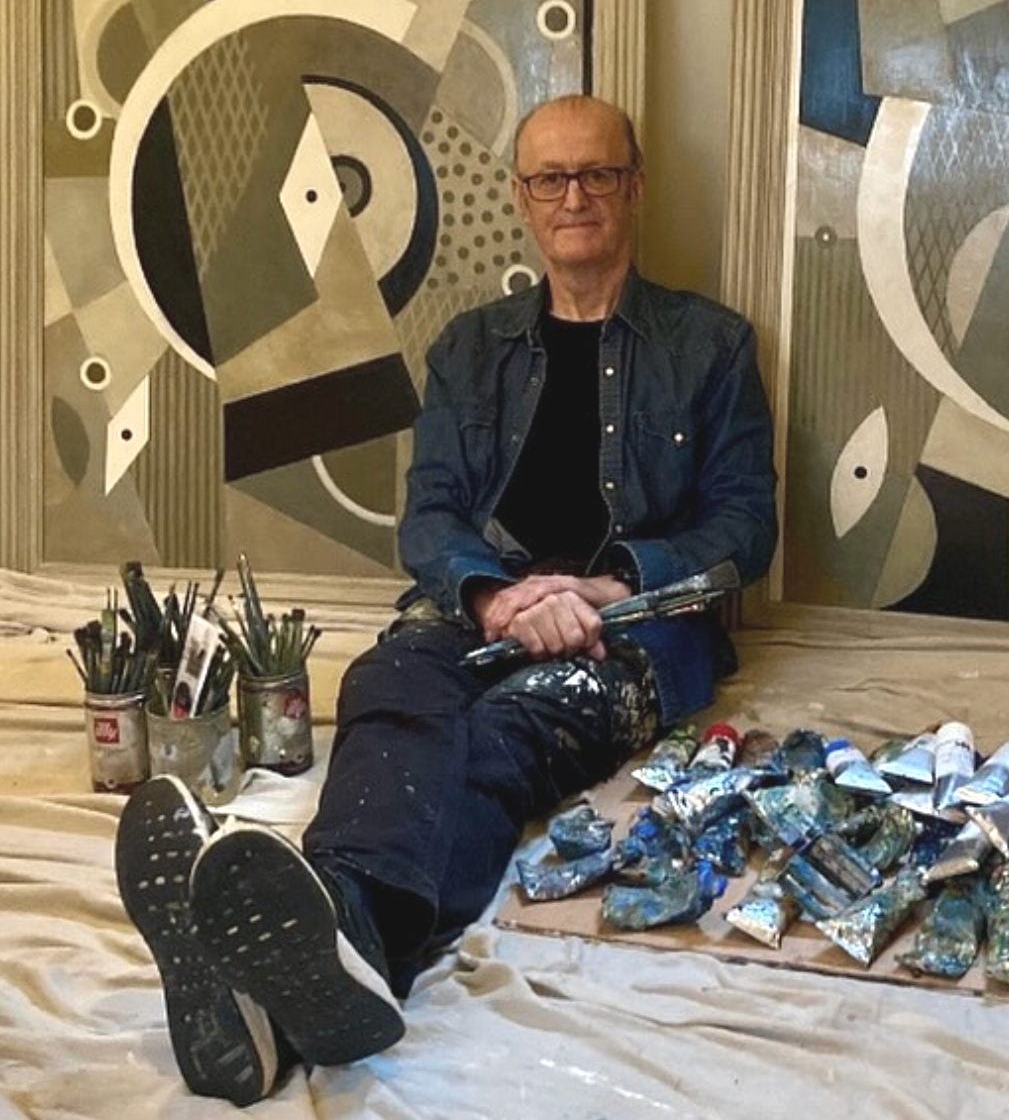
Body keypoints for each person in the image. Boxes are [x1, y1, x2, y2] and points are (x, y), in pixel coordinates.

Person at [114, 93, 778, 1106]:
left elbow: (744, 529)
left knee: (504, 737)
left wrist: (606, 584)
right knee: (389, 687)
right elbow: (428, 515)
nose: (574, 197)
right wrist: (500, 600)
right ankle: (341, 940)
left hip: (623, 633)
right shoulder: (469, 350)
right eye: (550, 178)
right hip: (476, 609)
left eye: (597, 173)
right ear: (521, 197)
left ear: (635, 186)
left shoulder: (712, 346)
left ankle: (323, 947)